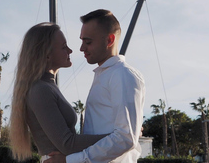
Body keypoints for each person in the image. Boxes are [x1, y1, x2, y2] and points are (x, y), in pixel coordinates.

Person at [46, 9, 146, 163]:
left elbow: (126, 138)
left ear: (109, 40)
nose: (81, 48)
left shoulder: (122, 75)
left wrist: (70, 160)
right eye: (82, 41)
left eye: (88, 42)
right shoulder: (105, 75)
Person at [10, 22, 107, 162]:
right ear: (47, 55)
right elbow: (68, 144)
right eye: (63, 47)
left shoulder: (47, 86)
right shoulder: (40, 90)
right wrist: (120, 137)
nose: (70, 51)